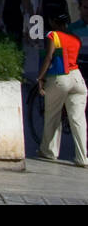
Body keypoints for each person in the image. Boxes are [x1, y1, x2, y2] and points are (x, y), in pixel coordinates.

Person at [35, 12, 87, 166]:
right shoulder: (75, 39)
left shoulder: (54, 35)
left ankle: (49, 151)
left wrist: (40, 78)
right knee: (78, 120)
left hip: (60, 77)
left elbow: (49, 57)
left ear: (53, 21)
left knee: (52, 116)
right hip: (77, 78)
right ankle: (82, 157)